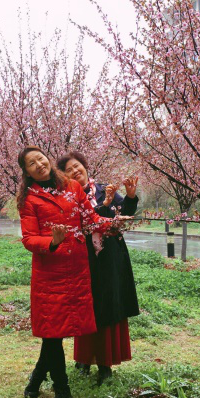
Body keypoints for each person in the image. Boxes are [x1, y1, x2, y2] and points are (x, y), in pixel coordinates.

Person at [17, 146, 114, 398]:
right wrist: (52, 241)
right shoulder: (30, 199)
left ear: (48, 159)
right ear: (26, 172)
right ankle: (62, 390)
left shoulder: (72, 186)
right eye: (31, 163)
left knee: (55, 333)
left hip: (77, 268)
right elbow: (28, 239)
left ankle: (36, 379)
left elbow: (90, 219)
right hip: (50, 272)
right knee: (52, 333)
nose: (39, 164)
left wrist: (113, 223)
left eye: (40, 158)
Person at [57, 152, 140, 384]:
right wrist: (103, 208)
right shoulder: (67, 197)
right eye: (69, 170)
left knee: (109, 306)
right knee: (85, 308)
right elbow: (87, 222)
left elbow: (124, 214)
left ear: (84, 167)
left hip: (110, 257)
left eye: (77, 166)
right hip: (84, 258)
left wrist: (131, 197)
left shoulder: (105, 190)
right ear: (64, 177)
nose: (75, 171)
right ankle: (84, 359)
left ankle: (105, 363)